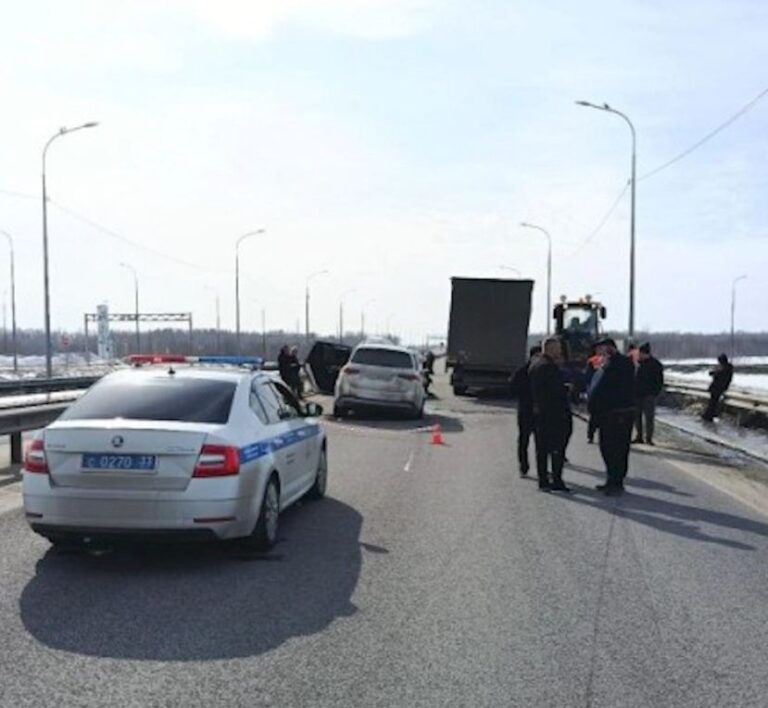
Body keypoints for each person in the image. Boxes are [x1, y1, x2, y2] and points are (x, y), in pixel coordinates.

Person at [588, 338, 635, 496]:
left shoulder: (622, 364)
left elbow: (618, 388)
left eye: (601, 349)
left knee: (618, 449)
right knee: (606, 447)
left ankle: (617, 482)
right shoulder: (607, 363)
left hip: (619, 413)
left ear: (609, 348)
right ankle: (611, 479)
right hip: (607, 413)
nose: (598, 353)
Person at [529, 338, 571, 493]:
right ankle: (557, 480)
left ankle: (543, 480)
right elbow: (555, 391)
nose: (560, 351)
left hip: (540, 412)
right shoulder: (549, 367)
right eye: (558, 348)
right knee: (557, 447)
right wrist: (566, 390)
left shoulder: (535, 364)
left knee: (541, 448)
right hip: (554, 413)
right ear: (551, 349)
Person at [510, 345, 541, 478]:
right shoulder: (522, 371)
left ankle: (541, 469)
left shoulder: (542, 370)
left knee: (541, 442)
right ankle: (523, 465)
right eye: (537, 356)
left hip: (539, 411)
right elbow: (512, 387)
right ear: (532, 356)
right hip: (526, 410)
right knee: (524, 440)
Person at [633, 342, 664, 445]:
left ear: (645, 353)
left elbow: (659, 381)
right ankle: (639, 436)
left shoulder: (656, 365)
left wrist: (655, 393)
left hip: (649, 396)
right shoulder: (638, 364)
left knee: (649, 418)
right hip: (637, 394)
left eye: (640, 353)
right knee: (637, 417)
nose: (639, 355)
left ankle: (649, 438)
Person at [702, 353, 734, 421]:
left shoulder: (725, 369)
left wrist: (714, 373)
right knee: (713, 403)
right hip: (719, 388)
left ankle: (708, 416)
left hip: (718, 388)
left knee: (713, 403)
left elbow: (719, 376)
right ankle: (709, 415)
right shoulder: (727, 368)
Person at [584, 349, 603, 443]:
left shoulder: (591, 360)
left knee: (593, 416)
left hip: (593, 390)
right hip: (603, 391)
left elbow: (587, 377)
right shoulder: (606, 360)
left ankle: (590, 436)